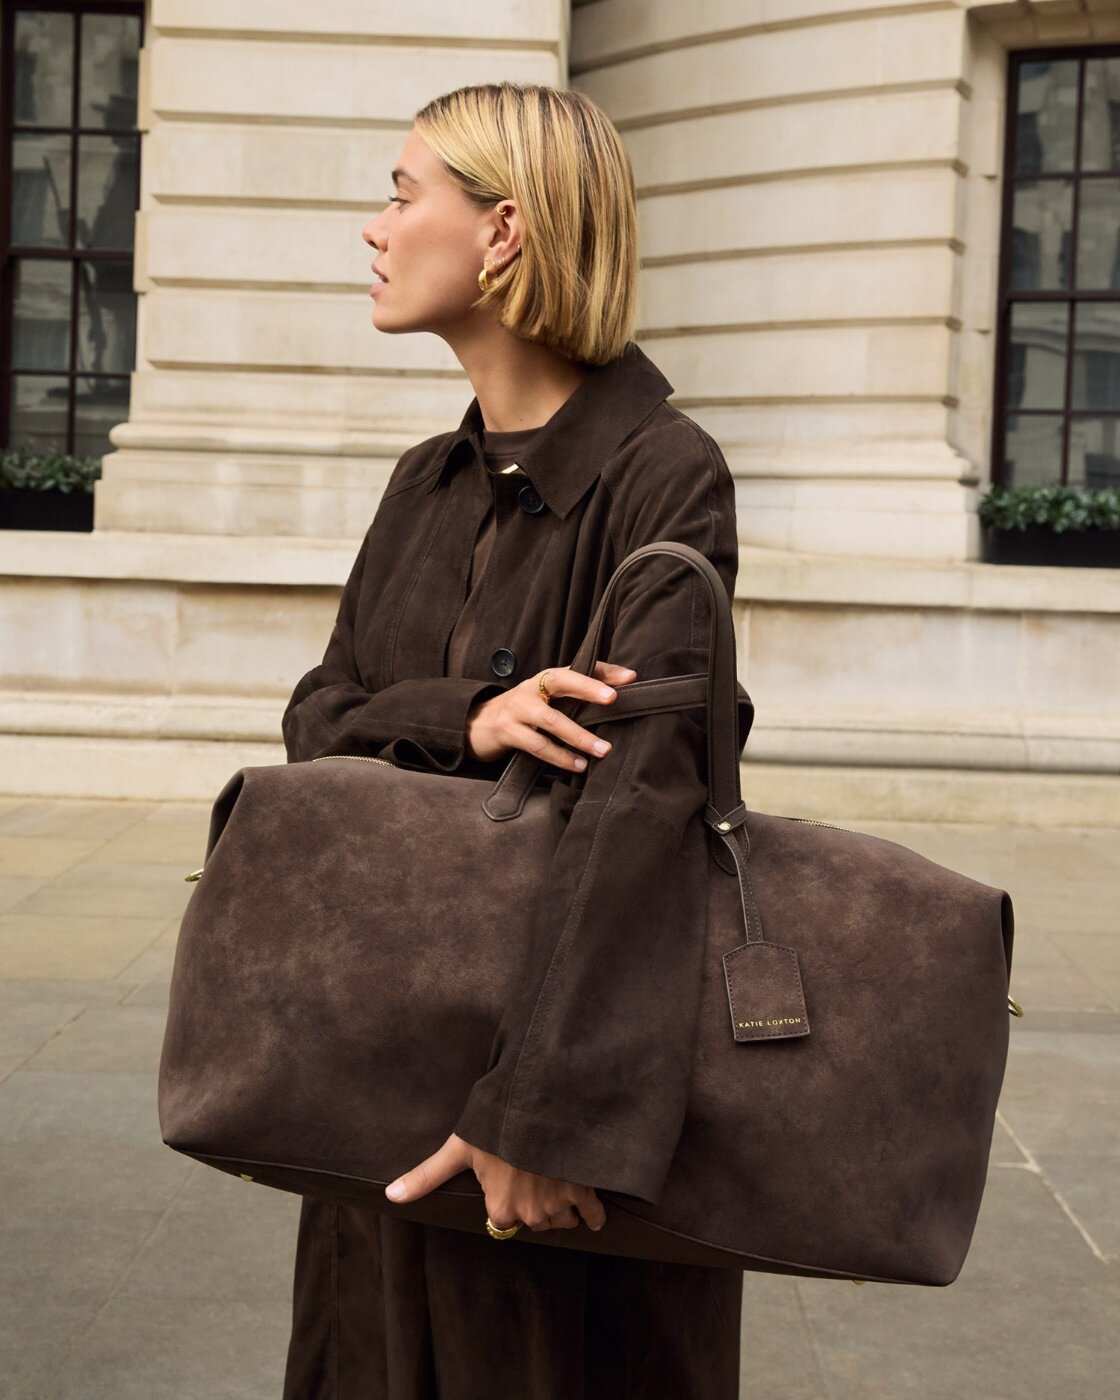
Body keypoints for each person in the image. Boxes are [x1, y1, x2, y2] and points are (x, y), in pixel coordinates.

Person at [279, 81, 750, 1400]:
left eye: (402, 192)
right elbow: (317, 722)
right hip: (385, 1088)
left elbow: (649, 798)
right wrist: (466, 717)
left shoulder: (666, 472)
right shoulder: (422, 482)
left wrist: (541, 1119)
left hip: (546, 1128)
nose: (376, 229)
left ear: (504, 234)